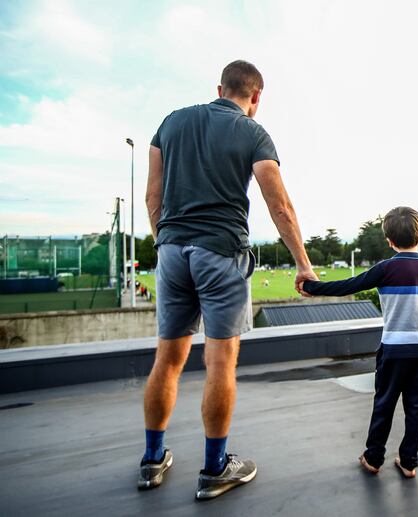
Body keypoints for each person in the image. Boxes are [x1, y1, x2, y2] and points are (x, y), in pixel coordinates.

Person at [140, 60, 317, 500]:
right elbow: (280, 206)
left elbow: (152, 196)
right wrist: (303, 263)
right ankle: (215, 468)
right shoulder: (253, 132)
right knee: (220, 363)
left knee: (167, 360)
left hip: (172, 252)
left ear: (220, 89)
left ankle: (152, 461)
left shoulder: (170, 123)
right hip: (221, 253)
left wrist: (166, 242)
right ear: (256, 97)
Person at [299, 207, 418, 478]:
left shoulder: (386, 269)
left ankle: (374, 458)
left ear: (389, 240)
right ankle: (409, 462)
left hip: (393, 351)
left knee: (384, 404)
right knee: (417, 409)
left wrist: (311, 287)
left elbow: (348, 286)